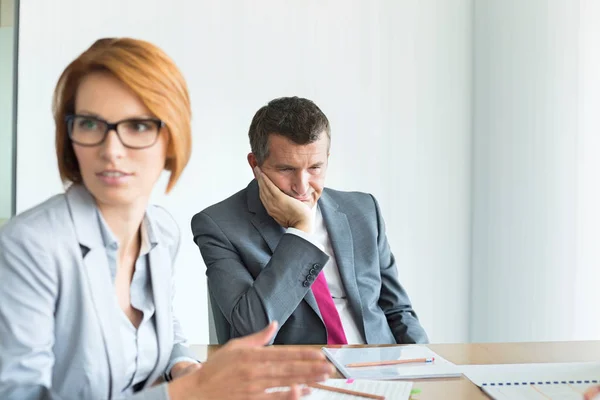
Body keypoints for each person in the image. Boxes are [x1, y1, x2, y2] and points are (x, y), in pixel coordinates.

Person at [0, 39, 333, 400]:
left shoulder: (159, 230)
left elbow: (161, 332)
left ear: (171, 138)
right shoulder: (28, 246)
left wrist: (185, 366)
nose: (111, 150)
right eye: (90, 124)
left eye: (138, 126)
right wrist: (184, 394)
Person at [191, 96, 428, 345]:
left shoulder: (363, 210)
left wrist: (426, 363)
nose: (302, 187)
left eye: (315, 168)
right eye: (286, 169)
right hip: (298, 376)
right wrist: (301, 232)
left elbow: (398, 311)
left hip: (380, 369)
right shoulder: (218, 226)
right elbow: (252, 332)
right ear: (255, 165)